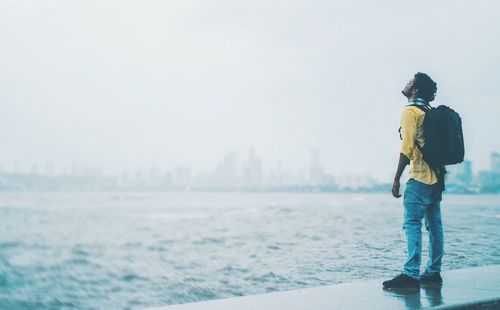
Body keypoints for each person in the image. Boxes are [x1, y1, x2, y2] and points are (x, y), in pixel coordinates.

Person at [383, 72, 444, 288]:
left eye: (410, 82)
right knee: (434, 226)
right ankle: (434, 271)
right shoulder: (428, 111)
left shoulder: (410, 112)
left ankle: (410, 273)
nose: (406, 84)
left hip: (419, 177)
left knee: (412, 224)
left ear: (415, 90)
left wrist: (396, 179)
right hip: (437, 179)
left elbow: (407, 148)